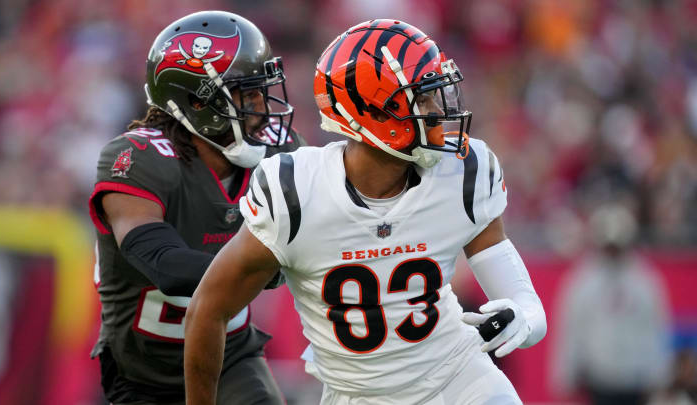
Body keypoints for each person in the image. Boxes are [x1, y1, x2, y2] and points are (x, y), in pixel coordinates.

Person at [184, 19, 546, 405]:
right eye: (422, 98)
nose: (439, 111)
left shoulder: (464, 171)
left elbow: (525, 304)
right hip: (358, 395)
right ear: (375, 112)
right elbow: (207, 311)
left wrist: (520, 320)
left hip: (460, 380)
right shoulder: (295, 192)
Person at [87, 11, 305, 405]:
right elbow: (164, 264)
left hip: (232, 357)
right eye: (247, 93)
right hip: (143, 371)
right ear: (196, 102)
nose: (263, 107)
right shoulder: (139, 159)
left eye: (262, 90)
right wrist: (257, 269)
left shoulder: (280, 151)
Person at [552, 204, 672, 405]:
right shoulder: (583, 280)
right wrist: (567, 373)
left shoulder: (644, 280)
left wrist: (659, 374)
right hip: (598, 380)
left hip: (636, 381)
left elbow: (656, 327)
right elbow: (572, 328)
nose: (613, 251)